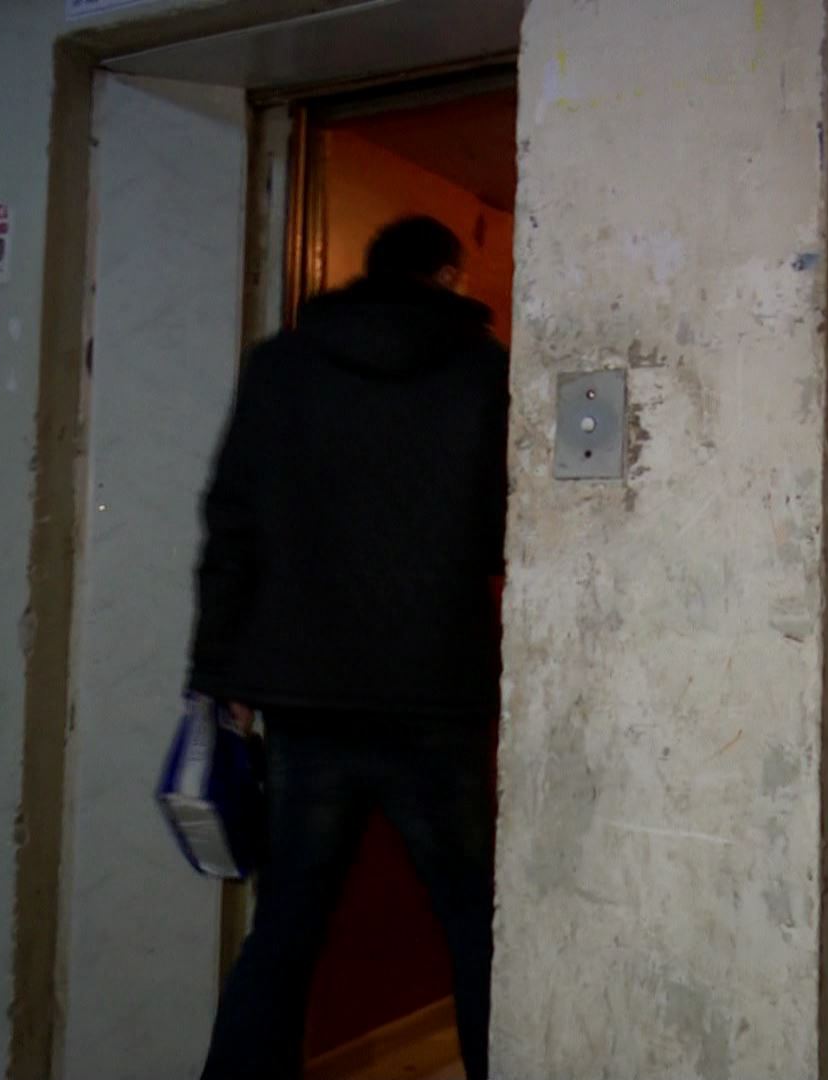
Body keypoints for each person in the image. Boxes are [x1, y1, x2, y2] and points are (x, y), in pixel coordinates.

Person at [188, 215, 508, 1080]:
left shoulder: (281, 365)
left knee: (284, 931)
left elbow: (231, 521)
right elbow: (501, 530)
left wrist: (217, 671)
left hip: (307, 696)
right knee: (477, 929)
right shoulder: (484, 371)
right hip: (436, 690)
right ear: (447, 274)